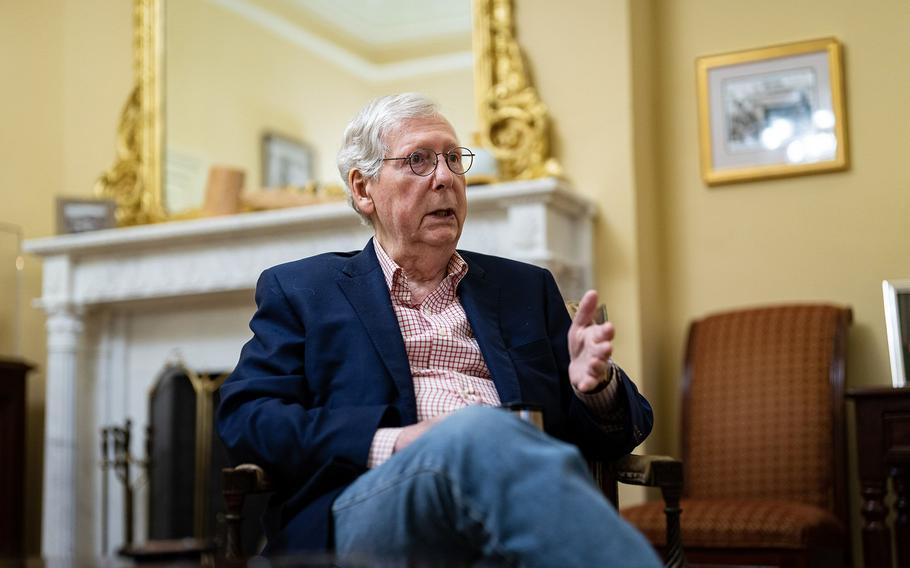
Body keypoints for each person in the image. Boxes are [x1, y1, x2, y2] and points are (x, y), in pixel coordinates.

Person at [217, 93, 661, 567]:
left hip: (501, 510)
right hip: (367, 508)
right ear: (363, 188)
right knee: (479, 432)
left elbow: (624, 429)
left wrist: (596, 388)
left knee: (492, 452)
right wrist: (389, 442)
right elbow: (247, 416)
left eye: (453, 158)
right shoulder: (304, 291)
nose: (446, 177)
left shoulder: (525, 289)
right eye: (418, 161)